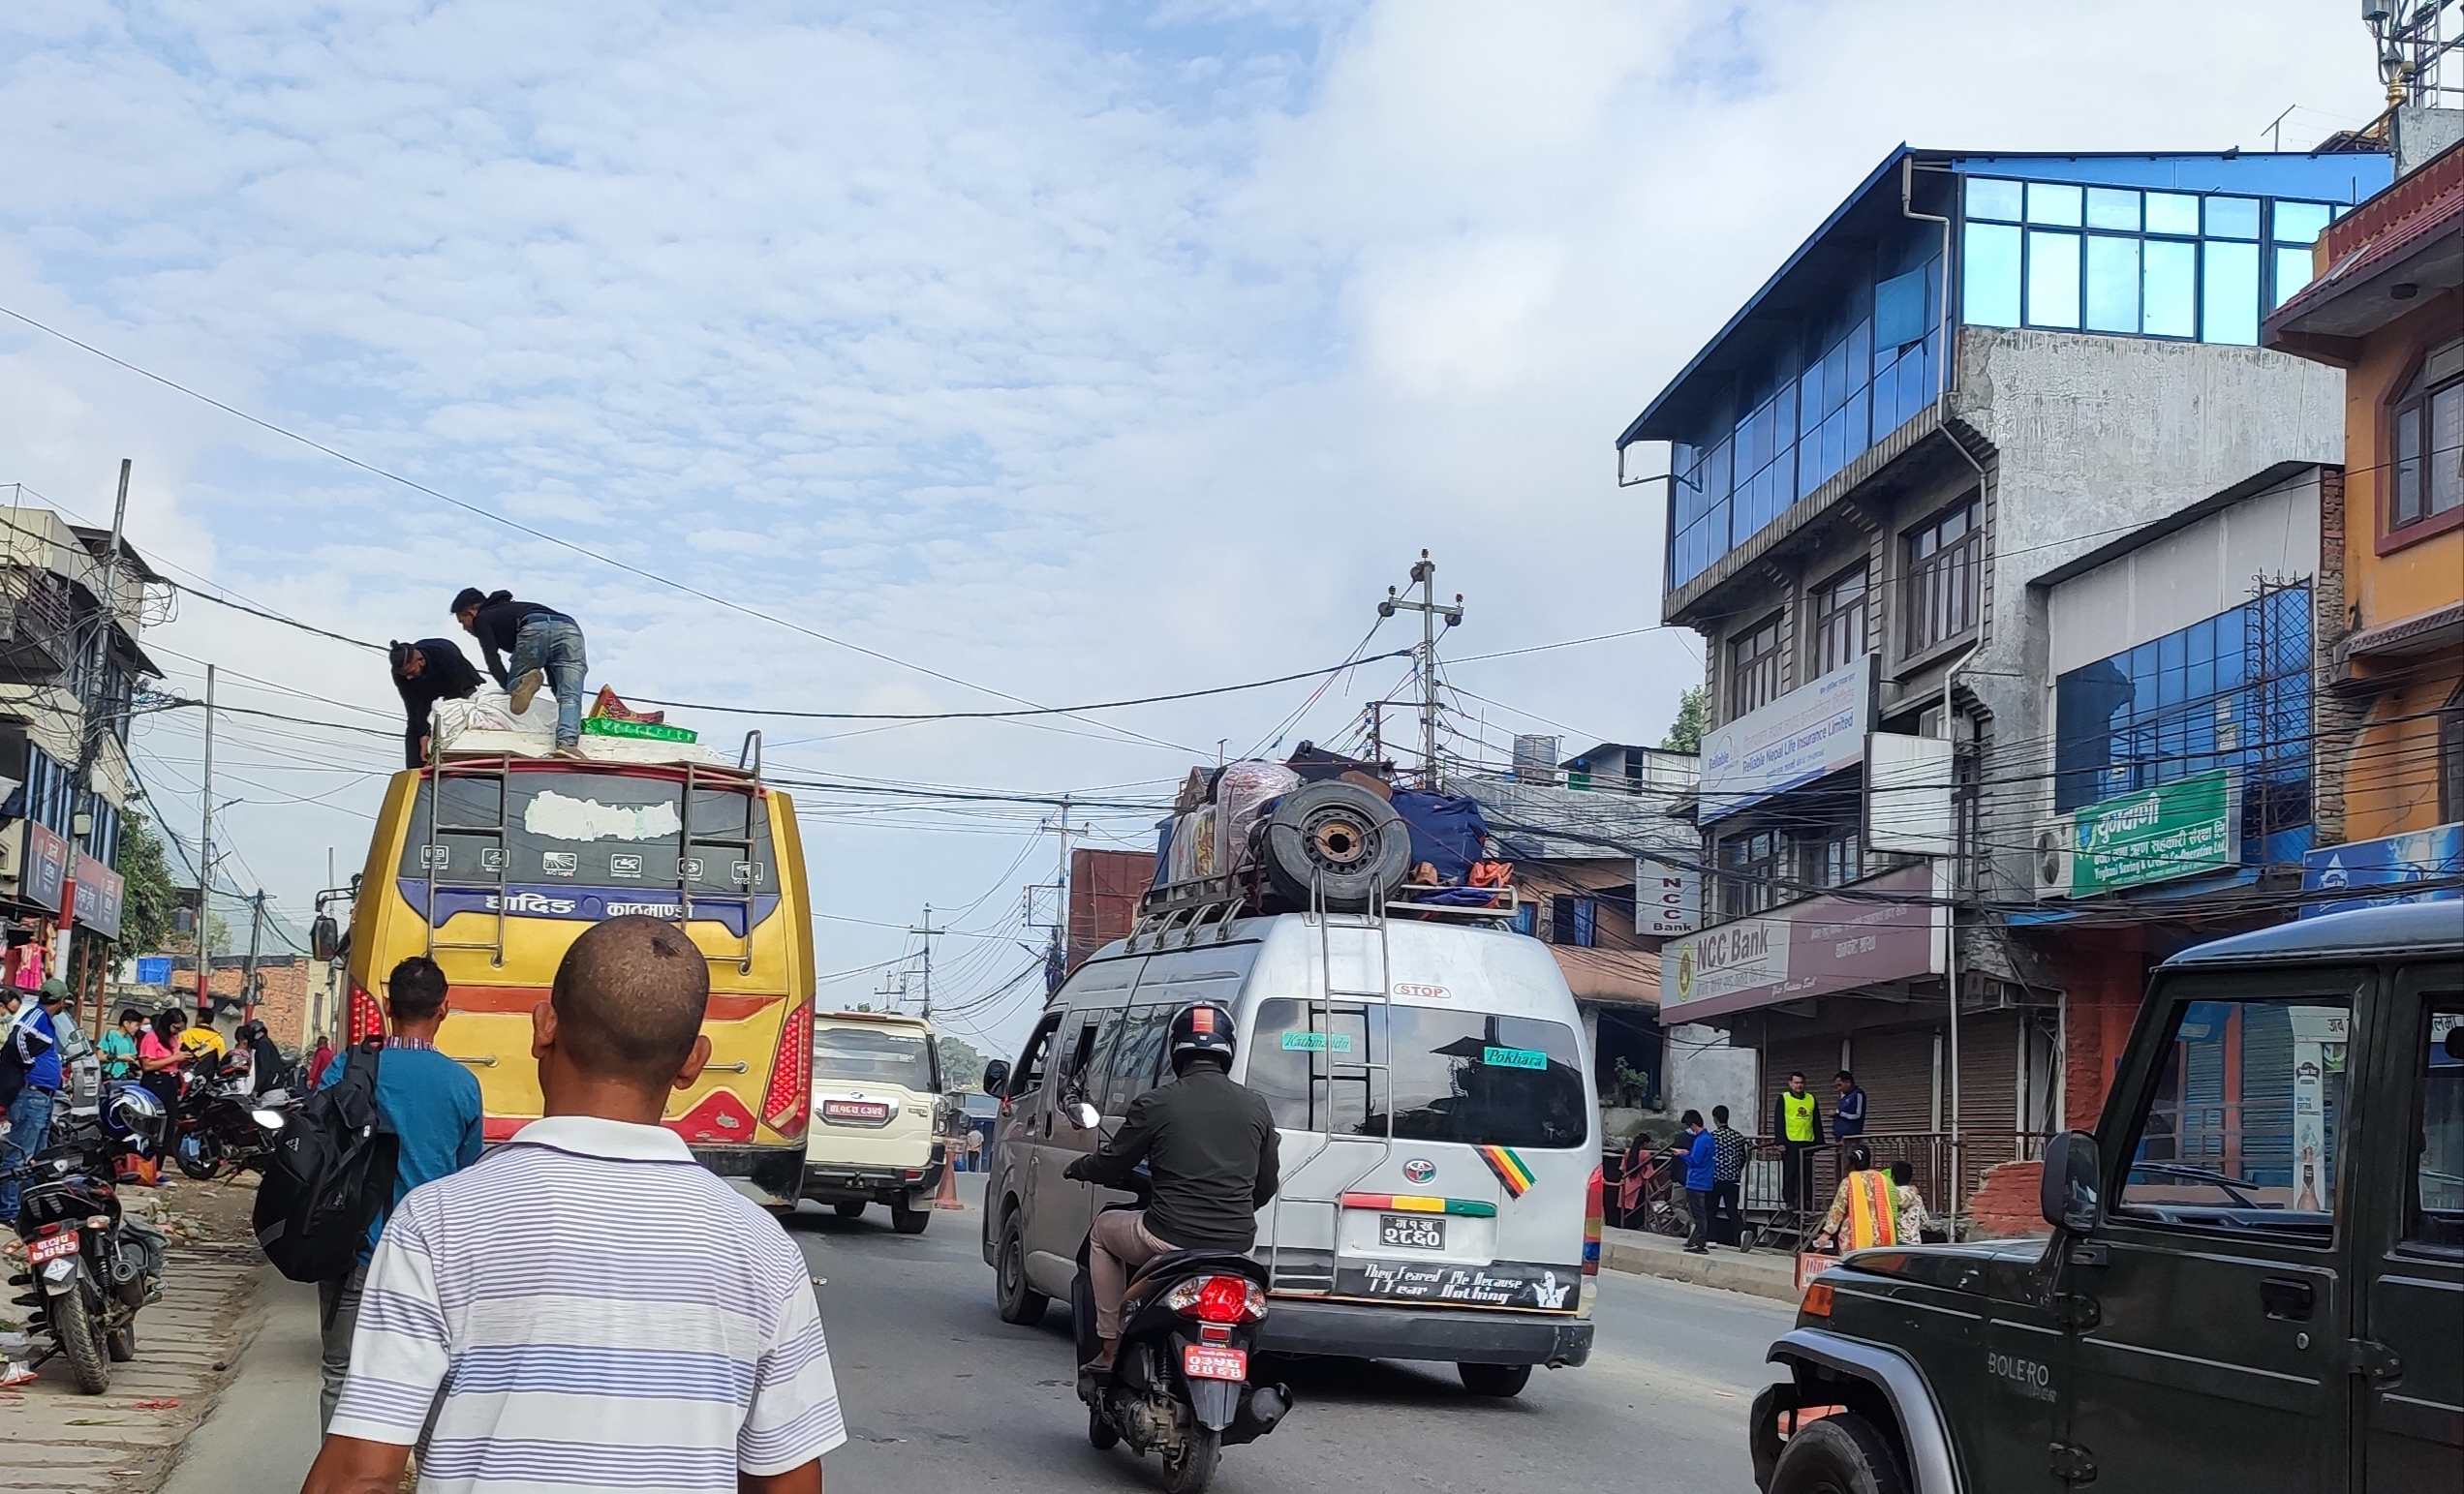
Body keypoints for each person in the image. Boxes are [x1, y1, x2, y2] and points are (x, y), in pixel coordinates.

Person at [304, 916, 843, 1494]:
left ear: (544, 1028)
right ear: (694, 1061)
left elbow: (359, 1475)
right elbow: (788, 1477)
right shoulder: (764, 1249)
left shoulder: (436, 1222)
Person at [314, 956, 484, 1437]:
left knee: (341, 1375)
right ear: (444, 1008)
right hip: (428, 1262)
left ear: (388, 1006)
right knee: (431, 1382)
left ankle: (340, 1474)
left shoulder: (348, 1067)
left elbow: (316, 1147)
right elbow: (465, 1178)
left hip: (351, 1249)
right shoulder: (463, 1085)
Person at [1064, 1001, 1280, 1371]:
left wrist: (1079, 1168)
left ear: (1175, 1049)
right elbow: (1265, 1185)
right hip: (1236, 1243)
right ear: (1228, 1050)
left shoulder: (1156, 1102)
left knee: (1102, 1232)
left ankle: (1110, 1345)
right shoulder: (1256, 1106)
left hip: (1166, 1236)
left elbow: (1113, 1162)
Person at [450, 587, 589, 757]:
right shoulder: (517, 607)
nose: (464, 628)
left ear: (470, 612)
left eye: (462, 621)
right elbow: (551, 660)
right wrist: (556, 690)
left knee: (517, 686)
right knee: (569, 696)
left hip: (534, 628)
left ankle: (523, 681)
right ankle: (567, 744)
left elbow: (492, 658)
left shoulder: (482, 618)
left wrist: (508, 687)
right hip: (570, 629)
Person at [1, 986, 64, 1220]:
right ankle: (8, 1210)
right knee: (18, 1155)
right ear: (61, 1000)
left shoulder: (45, 1021)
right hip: (31, 1096)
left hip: (43, 1097)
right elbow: (17, 1038)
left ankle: (28, 1208)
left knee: (34, 1160)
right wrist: (28, 1063)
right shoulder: (38, 1015)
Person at [389, 638, 484, 769]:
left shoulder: (444, 653)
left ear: (420, 660)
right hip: (425, 693)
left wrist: (429, 735)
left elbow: (453, 697)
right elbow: (413, 707)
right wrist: (422, 734)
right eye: (405, 674)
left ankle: (456, 760)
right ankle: (416, 768)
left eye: (410, 672)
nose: (408, 678)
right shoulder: (400, 675)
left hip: (460, 687)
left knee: (453, 717)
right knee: (414, 726)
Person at [1816, 1143, 1900, 1253]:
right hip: (1881, 1235)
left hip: (1854, 1236)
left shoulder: (1848, 1182)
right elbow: (1896, 1199)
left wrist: (1827, 1233)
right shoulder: (1883, 1179)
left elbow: (1838, 1209)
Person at [1771, 1071, 1825, 1214]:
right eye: (1796, 1083)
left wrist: (1819, 1141)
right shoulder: (1784, 1098)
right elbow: (1779, 1121)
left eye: (1801, 1083)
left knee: (1807, 1174)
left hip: (1807, 1141)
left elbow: (1816, 1120)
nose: (1799, 1085)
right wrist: (1780, 1141)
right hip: (1790, 1141)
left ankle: (1807, 1201)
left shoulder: (1811, 1098)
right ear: (1790, 1084)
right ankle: (1790, 1201)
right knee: (1790, 1173)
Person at [1709, 1104, 1750, 1248]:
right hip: (1733, 1179)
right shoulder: (1738, 1137)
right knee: (1732, 1210)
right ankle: (1742, 1232)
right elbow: (1743, 1158)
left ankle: (1711, 1238)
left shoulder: (1712, 1136)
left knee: (1711, 1209)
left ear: (1715, 1119)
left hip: (1715, 1178)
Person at [1679, 1110, 1717, 1255]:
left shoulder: (1701, 1139)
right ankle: (1694, 1241)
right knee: (1700, 1213)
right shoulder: (1709, 1138)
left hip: (1696, 1180)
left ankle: (1700, 1243)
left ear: (1693, 1125)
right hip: (1704, 1179)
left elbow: (1695, 1161)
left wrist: (1682, 1155)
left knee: (1698, 1215)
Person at [138, 1010, 188, 1112]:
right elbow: (147, 1066)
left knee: (171, 1114)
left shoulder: (174, 1038)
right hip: (156, 1080)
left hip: (172, 1080)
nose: (177, 1031)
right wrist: (174, 1058)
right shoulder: (152, 1037)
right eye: (175, 1028)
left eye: (180, 1029)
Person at [1887, 1160, 1932, 1243]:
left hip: (1895, 1241)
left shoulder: (1889, 1194)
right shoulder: (1917, 1197)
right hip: (1914, 1242)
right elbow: (1925, 1221)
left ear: (1892, 1177)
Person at [100, 1008, 144, 1084]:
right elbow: (100, 1056)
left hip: (124, 1077)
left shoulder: (129, 1038)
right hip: (110, 1077)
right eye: (136, 1025)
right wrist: (119, 1057)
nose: (137, 1028)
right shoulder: (110, 1035)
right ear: (126, 1023)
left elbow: (133, 1057)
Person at [1833, 1069, 1867, 1140]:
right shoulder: (1844, 1098)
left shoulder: (1857, 1094)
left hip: (1850, 1136)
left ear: (1848, 1082)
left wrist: (1838, 1113)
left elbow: (1857, 1115)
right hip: (1841, 1136)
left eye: (1840, 1085)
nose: (1839, 1089)